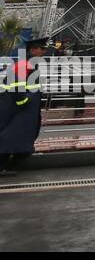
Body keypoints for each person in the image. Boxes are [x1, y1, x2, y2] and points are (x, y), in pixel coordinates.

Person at [0, 39, 47, 175]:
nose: (44, 52)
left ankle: (7, 167)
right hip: (19, 110)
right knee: (11, 139)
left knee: (19, 140)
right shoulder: (24, 65)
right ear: (33, 50)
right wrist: (24, 101)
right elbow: (15, 87)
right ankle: (5, 167)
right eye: (41, 49)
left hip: (24, 111)